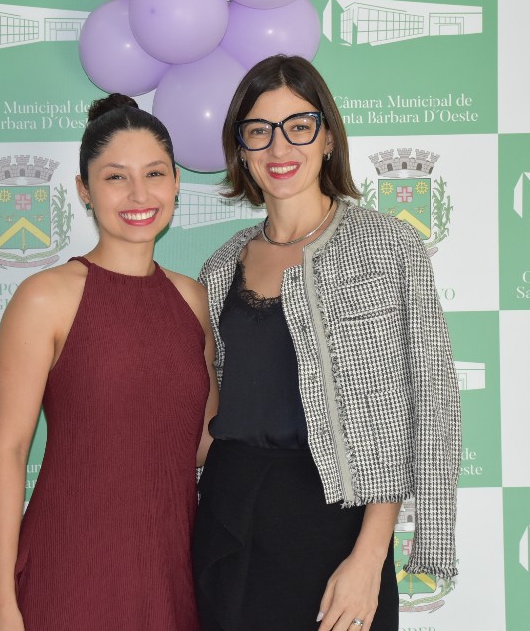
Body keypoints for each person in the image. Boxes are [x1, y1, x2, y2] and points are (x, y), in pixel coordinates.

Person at [193, 55, 461, 631]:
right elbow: (208, 411)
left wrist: (369, 557)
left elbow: (428, 400)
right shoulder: (219, 267)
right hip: (229, 520)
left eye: (299, 126)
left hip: (337, 526)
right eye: (259, 131)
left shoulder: (388, 246)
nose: (279, 147)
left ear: (329, 138)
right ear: (241, 148)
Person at [0, 93, 217, 631]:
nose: (139, 194)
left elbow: (205, 442)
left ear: (176, 183)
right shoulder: (45, 297)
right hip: (68, 573)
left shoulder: (193, 300)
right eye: (116, 177)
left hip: (170, 579)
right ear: (84, 190)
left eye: (154, 173)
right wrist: (2, 604)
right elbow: (8, 453)